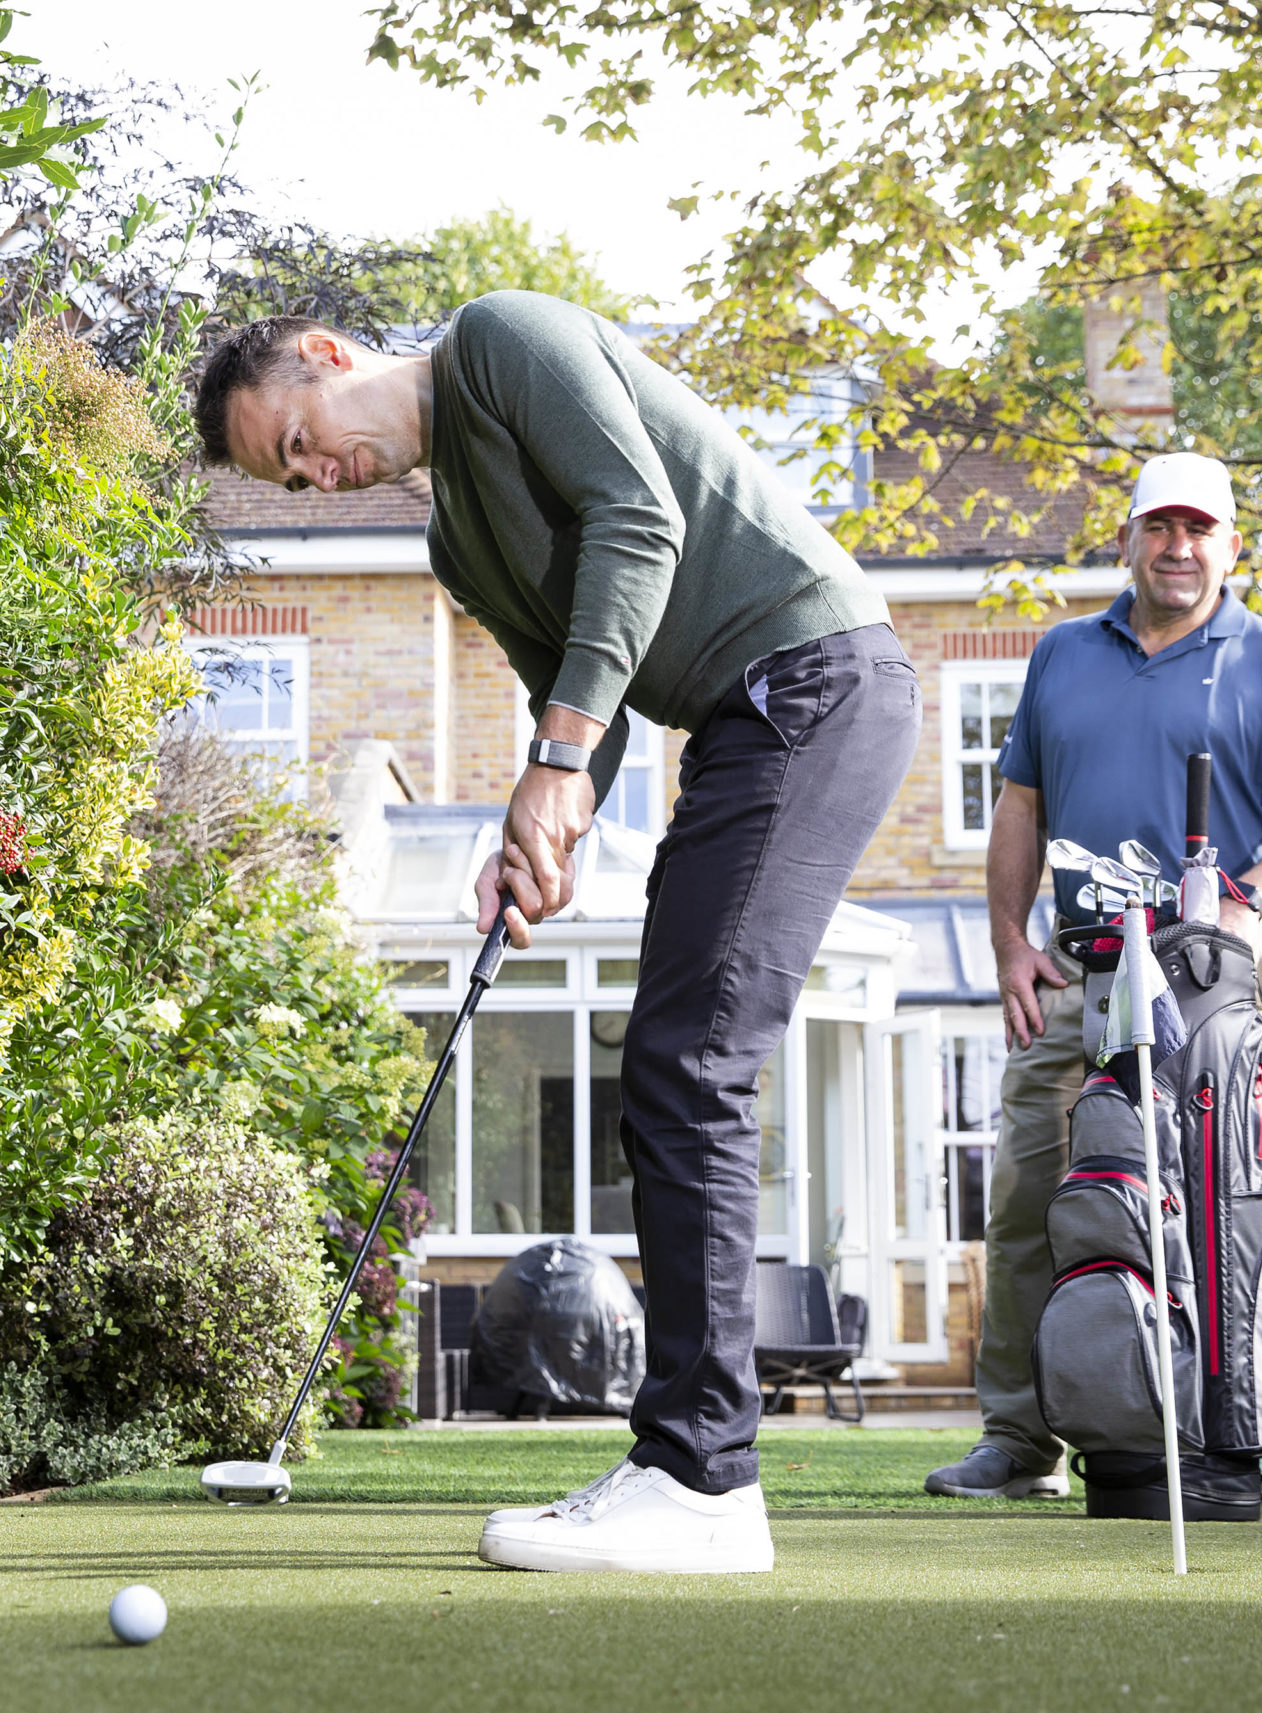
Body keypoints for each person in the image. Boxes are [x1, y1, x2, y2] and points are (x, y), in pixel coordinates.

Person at [192, 292, 919, 1573]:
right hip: (743, 721)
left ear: (327, 356)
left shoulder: (497, 341)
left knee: (689, 1064)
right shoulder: (456, 548)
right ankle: (681, 1464)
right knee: (672, 1065)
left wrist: (557, 767)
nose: (316, 472)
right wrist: (534, 836)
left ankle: (703, 1482)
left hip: (814, 676)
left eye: (297, 437)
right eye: (286, 474)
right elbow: (596, 699)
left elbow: (638, 523)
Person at [925, 451, 1262, 1507]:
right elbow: (1018, 808)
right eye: (1159, 528)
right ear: (1126, 538)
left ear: (1230, 545)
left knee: (1213, 1209)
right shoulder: (1062, 656)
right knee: (1035, 1196)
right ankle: (1019, 1441)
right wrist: (1006, 941)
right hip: (1078, 967)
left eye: (1198, 529)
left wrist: (1245, 902)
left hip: (1209, 982)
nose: (1178, 548)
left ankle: (1225, 1429)